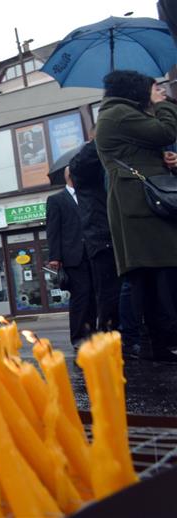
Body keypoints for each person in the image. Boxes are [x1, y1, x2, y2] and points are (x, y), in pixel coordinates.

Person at [94, 70, 177, 363]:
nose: (157, 91)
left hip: (140, 204)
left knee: (150, 275)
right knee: (142, 276)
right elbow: (166, 131)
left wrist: (163, 160)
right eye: (153, 88)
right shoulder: (120, 114)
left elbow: (143, 148)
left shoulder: (118, 113)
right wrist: (162, 104)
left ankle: (151, 342)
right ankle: (135, 343)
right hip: (138, 208)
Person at [68, 129, 122, 336]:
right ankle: (108, 337)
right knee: (108, 292)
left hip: (119, 233)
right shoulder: (84, 165)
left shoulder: (110, 163)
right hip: (101, 238)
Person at [46, 166, 97, 348]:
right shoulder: (56, 200)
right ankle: (79, 337)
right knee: (81, 297)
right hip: (73, 257)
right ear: (70, 177)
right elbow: (53, 230)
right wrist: (55, 257)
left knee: (94, 296)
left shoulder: (89, 197)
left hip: (93, 253)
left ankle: (93, 334)